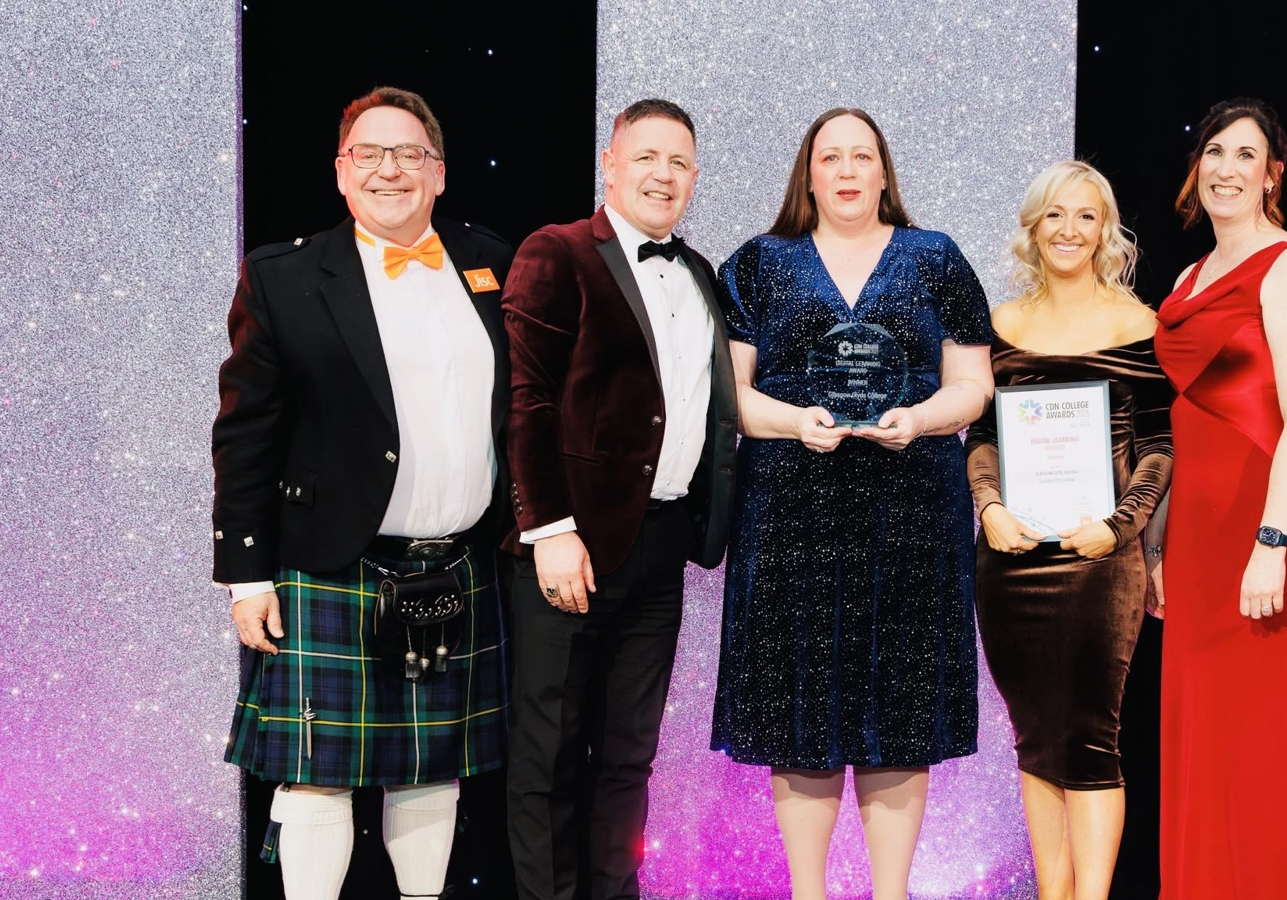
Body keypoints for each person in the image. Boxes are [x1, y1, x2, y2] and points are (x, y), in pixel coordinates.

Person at [213, 86, 513, 900]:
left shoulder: (493, 262)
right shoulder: (284, 276)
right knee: (316, 778)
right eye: (369, 154)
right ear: (342, 174)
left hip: (456, 566)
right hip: (328, 566)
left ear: (440, 173)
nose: (391, 170)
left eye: (410, 153)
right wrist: (245, 575)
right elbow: (245, 435)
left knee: (430, 770)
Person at [709, 107, 993, 900]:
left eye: (860, 156)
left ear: (882, 172)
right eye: (829, 156)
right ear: (808, 173)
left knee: (899, 707)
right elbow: (728, 394)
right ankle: (808, 892)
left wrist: (925, 417)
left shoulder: (935, 257)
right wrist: (795, 421)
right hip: (790, 514)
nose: (844, 170)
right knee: (800, 710)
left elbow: (974, 383)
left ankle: (891, 892)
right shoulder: (761, 262)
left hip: (912, 513)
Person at [500, 97, 737, 900]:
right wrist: (551, 529)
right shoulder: (557, 252)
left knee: (629, 756)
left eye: (678, 163)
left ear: (696, 178)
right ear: (610, 163)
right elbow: (526, 401)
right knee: (550, 756)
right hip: (570, 548)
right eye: (646, 157)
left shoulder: (700, 273)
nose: (661, 175)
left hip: (661, 548)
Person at [1153, 98, 1287, 898]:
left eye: (1247, 155)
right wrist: (1157, 546)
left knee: (1271, 739)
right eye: (1215, 152)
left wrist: (1271, 542)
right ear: (1196, 167)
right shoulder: (1187, 276)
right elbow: (1182, 426)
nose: (1227, 169)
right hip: (1201, 532)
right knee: (1208, 741)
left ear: (1273, 174)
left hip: (1275, 524)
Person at [964, 160, 1172, 900]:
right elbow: (979, 436)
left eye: (1086, 216)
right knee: (1034, 738)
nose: (1069, 230)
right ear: (1033, 225)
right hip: (1010, 563)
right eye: (1055, 214)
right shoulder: (999, 327)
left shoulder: (1141, 324)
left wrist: (1121, 528)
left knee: (1089, 739)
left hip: (1099, 563)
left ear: (1105, 231)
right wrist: (989, 508)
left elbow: (1158, 445)